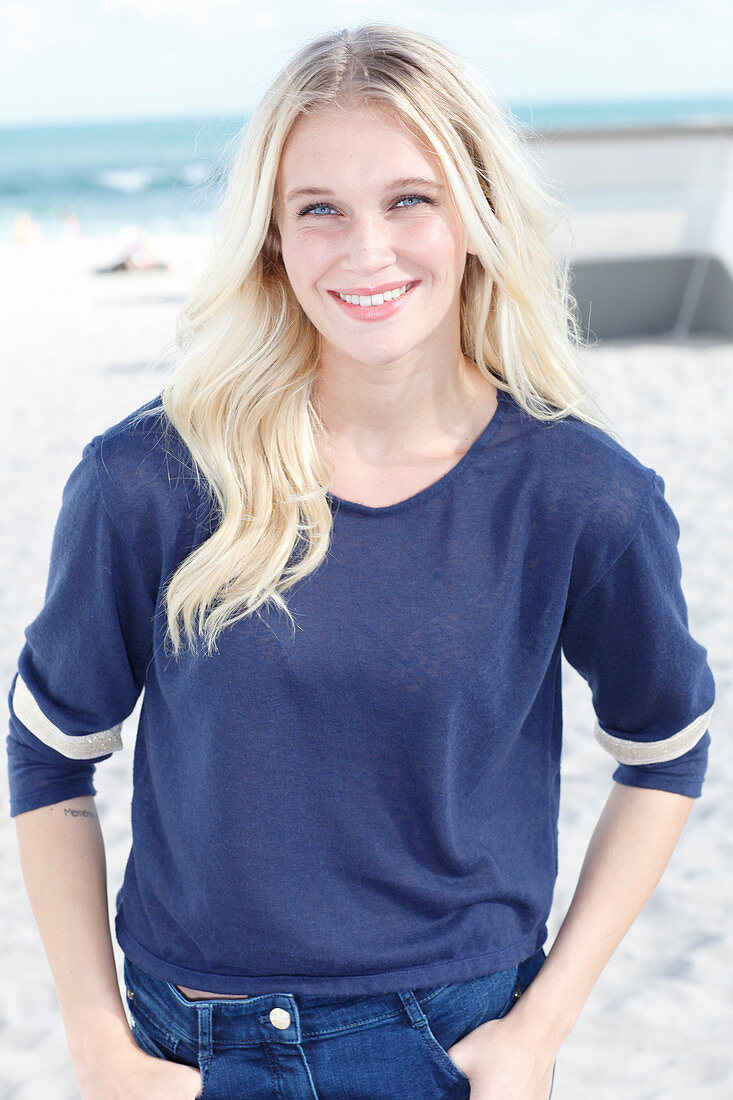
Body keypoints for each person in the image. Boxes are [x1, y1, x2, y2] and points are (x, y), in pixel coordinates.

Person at [6, 23, 715, 1100]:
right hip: (183, 1048)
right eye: (319, 209)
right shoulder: (147, 479)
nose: (366, 250)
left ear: (473, 216)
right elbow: (50, 752)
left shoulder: (579, 493)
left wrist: (540, 1026)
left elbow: (665, 748)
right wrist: (99, 1041)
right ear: (272, 239)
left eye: (409, 199)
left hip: (447, 1043)